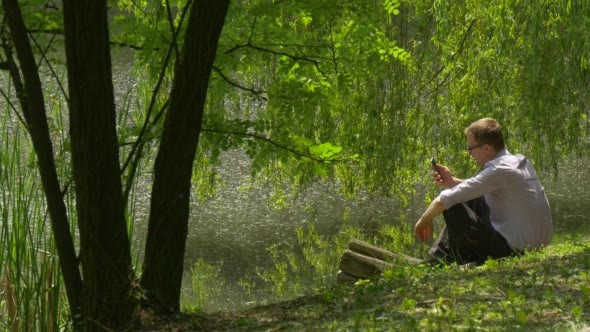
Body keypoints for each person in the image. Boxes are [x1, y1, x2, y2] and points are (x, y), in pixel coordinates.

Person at [414, 118, 552, 265]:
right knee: (468, 196)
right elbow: (476, 188)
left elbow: (443, 200)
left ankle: (437, 261)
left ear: (486, 148)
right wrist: (452, 182)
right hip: (534, 245)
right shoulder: (517, 161)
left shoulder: (499, 170)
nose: (469, 154)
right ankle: (441, 258)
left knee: (452, 205)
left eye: (470, 148)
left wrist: (424, 220)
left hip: (512, 251)